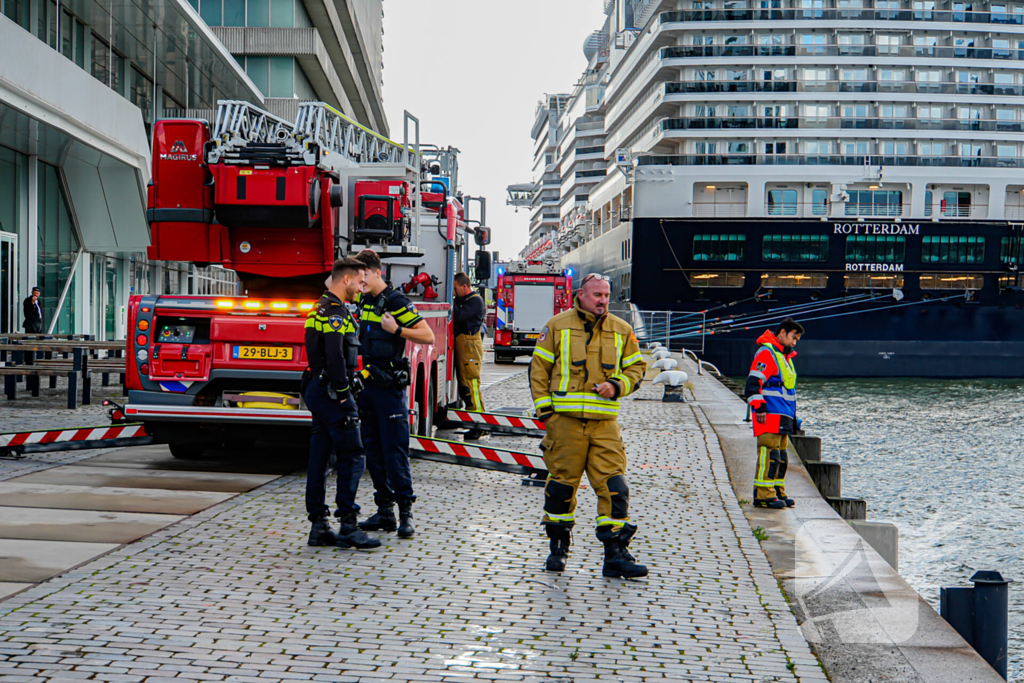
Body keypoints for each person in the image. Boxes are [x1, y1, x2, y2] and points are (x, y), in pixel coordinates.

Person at [529, 272, 649, 578]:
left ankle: (615, 555)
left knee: (615, 488)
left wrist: (617, 385)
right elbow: (539, 369)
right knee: (560, 489)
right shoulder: (556, 326)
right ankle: (558, 548)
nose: (603, 301)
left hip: (604, 425)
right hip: (565, 424)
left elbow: (637, 367)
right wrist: (546, 412)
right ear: (580, 295)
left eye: (606, 296)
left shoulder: (622, 330)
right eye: (597, 295)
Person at [351, 249, 435, 538]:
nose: (358, 282)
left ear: (376, 272)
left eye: (362, 276)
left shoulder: (396, 301)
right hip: (368, 385)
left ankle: (405, 514)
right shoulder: (364, 300)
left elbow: (427, 335)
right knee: (372, 450)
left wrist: (397, 329)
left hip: (389, 389)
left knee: (394, 451)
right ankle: (384, 511)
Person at [303, 257, 380, 550]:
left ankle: (319, 526)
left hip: (317, 389)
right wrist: (346, 392)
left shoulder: (319, 307)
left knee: (320, 456)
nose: (362, 289)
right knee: (353, 455)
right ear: (346, 280)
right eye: (360, 283)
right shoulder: (335, 312)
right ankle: (348, 525)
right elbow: (335, 356)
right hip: (333, 393)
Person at [744, 317, 804, 510]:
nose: (794, 342)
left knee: (780, 457)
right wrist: (759, 407)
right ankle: (764, 495)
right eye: (793, 337)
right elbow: (753, 383)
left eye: (797, 339)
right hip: (769, 414)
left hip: (783, 414)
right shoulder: (767, 353)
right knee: (768, 454)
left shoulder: (784, 356)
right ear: (782, 333)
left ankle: (777, 491)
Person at [452, 272, 486, 439]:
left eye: (456, 289)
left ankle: (479, 424)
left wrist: (451, 302)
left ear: (464, 286)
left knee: (471, 385)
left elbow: (458, 315)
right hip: (463, 344)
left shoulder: (475, 301)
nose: (454, 292)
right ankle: (475, 422)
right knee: (465, 387)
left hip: (470, 345)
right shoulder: (465, 300)